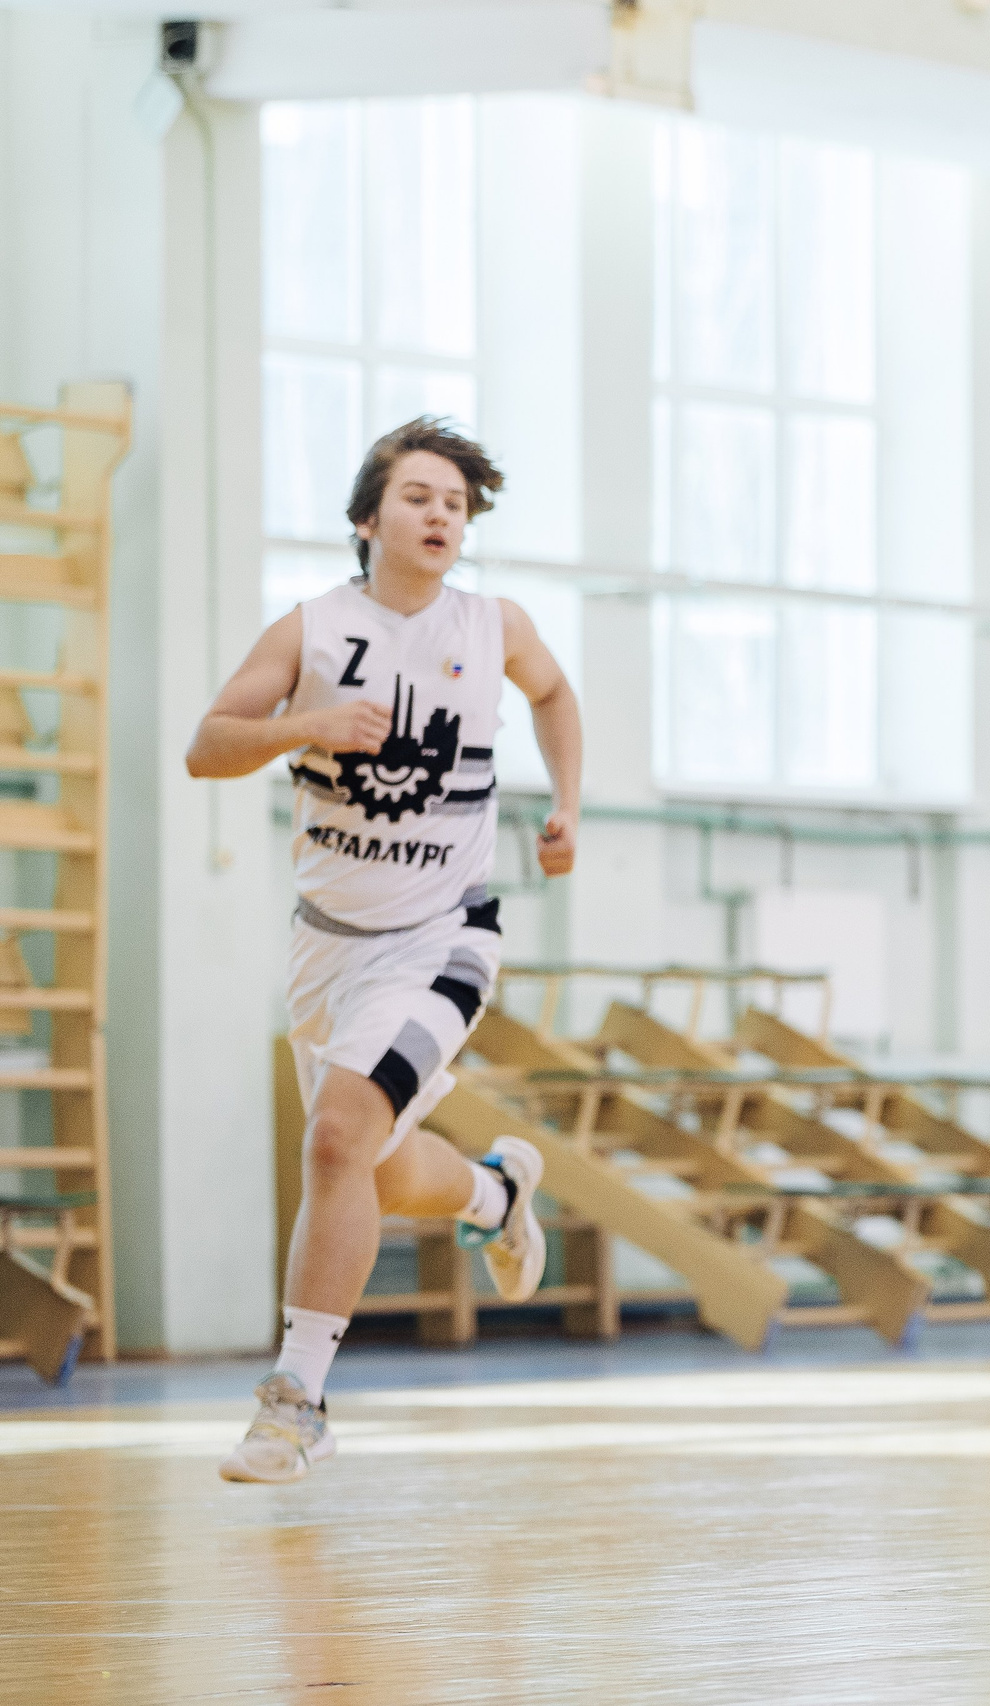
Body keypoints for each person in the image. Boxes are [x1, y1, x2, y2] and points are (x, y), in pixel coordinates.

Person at [186, 418, 583, 1484]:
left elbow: (555, 695)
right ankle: (494, 1195)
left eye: (455, 500)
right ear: (368, 518)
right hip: (327, 948)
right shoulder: (310, 629)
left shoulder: (493, 623)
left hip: (443, 937)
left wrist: (568, 810)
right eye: (417, 495)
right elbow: (206, 745)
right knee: (363, 1158)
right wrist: (300, 725)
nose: (440, 512)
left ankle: (295, 1399)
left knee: (331, 1140)